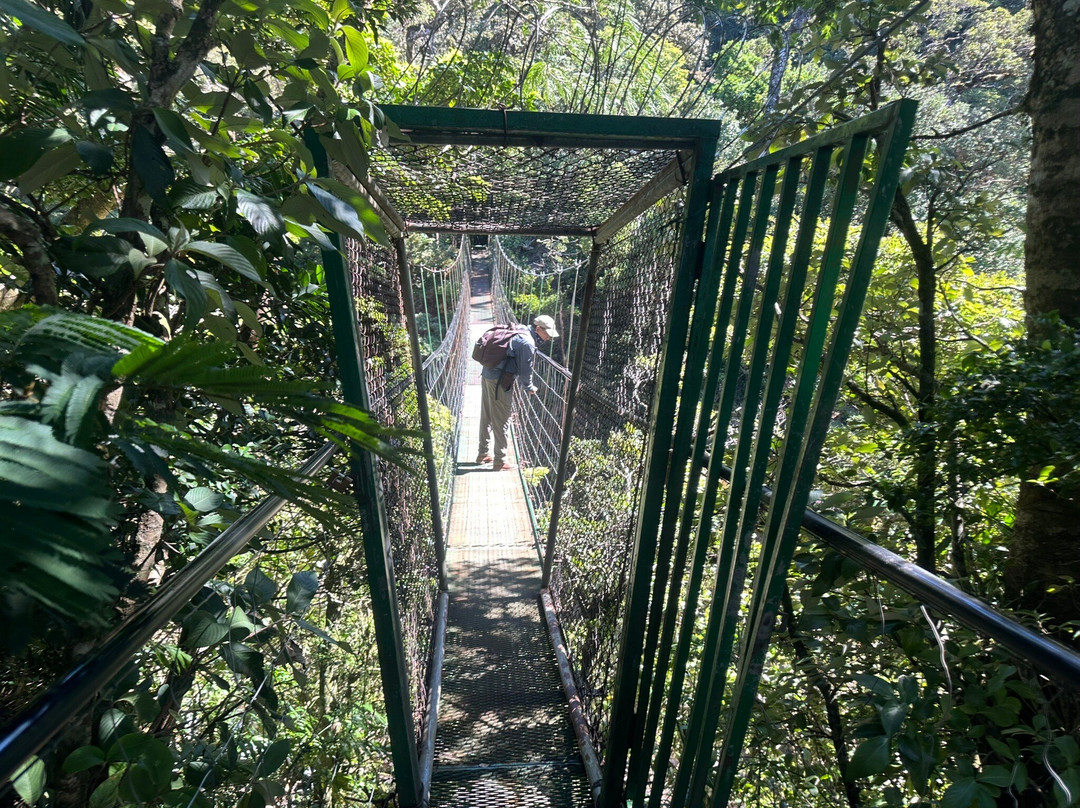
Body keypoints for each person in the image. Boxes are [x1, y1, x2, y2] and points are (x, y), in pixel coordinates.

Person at [476, 314, 558, 470]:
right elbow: (525, 370)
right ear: (538, 328)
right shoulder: (528, 342)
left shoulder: (520, 329)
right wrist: (529, 387)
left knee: (486, 414)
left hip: (487, 373)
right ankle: (500, 460)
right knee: (502, 419)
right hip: (500, 380)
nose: (548, 338)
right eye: (546, 333)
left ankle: (483, 453)